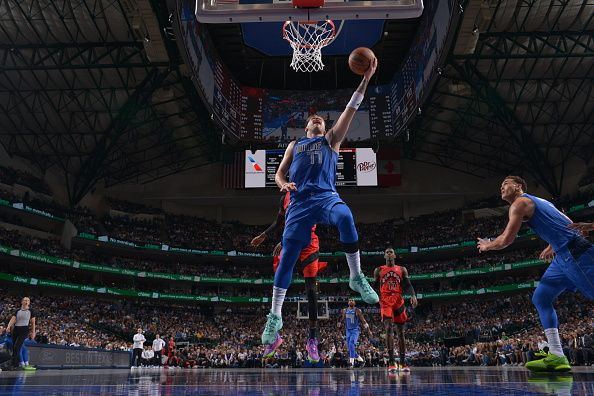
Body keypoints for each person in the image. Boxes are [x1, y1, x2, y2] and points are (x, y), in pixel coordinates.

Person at [261, 58, 380, 346]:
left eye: (321, 119)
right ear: (305, 128)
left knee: (346, 218)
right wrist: (282, 183)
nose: (317, 120)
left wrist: (366, 78)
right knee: (288, 256)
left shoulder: (332, 140)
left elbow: (351, 108)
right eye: (312, 120)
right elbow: (278, 173)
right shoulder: (295, 145)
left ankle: (356, 276)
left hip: (326, 196)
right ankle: (275, 316)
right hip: (300, 203)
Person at [477, 176, 594, 372]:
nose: (502, 187)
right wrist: (552, 245)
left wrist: (488, 245)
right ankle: (557, 355)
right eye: (500, 185)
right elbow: (569, 223)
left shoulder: (519, 203)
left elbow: (506, 239)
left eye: (506, 183)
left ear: (519, 186)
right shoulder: (541, 201)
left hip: (576, 253)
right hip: (562, 256)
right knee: (541, 298)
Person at [251, 191, 328, 362]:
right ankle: (274, 336)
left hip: (308, 243)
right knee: (280, 277)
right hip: (291, 239)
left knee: (311, 292)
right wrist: (265, 235)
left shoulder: (314, 191)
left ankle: (312, 340)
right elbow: (280, 221)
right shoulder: (284, 197)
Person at [374, 247, 418, 373]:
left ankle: (403, 363)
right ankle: (392, 362)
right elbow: (374, 286)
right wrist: (369, 295)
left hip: (398, 301)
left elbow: (408, 284)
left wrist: (413, 295)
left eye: (391, 252)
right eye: (386, 252)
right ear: (384, 256)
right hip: (385, 301)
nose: (388, 254)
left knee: (401, 333)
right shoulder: (378, 270)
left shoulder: (402, 269)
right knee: (388, 329)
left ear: (394, 255)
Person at [339, 298, 372, 369]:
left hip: (355, 330)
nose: (351, 301)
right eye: (350, 300)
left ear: (354, 303)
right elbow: (342, 319)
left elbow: (363, 321)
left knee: (351, 344)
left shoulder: (357, 310)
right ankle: (361, 361)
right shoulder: (345, 310)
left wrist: (369, 330)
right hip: (348, 331)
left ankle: (351, 364)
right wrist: (339, 323)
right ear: (348, 302)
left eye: (352, 300)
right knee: (350, 349)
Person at [6, 297, 36, 370]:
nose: (26, 301)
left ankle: (15, 364)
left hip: (24, 329)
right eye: (25, 300)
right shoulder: (17, 310)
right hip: (16, 329)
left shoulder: (31, 311)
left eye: (28, 300)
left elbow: (33, 323)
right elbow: (13, 319)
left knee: (17, 346)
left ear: (29, 302)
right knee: (14, 347)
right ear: (22, 302)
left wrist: (33, 332)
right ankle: (14, 364)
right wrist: (8, 326)